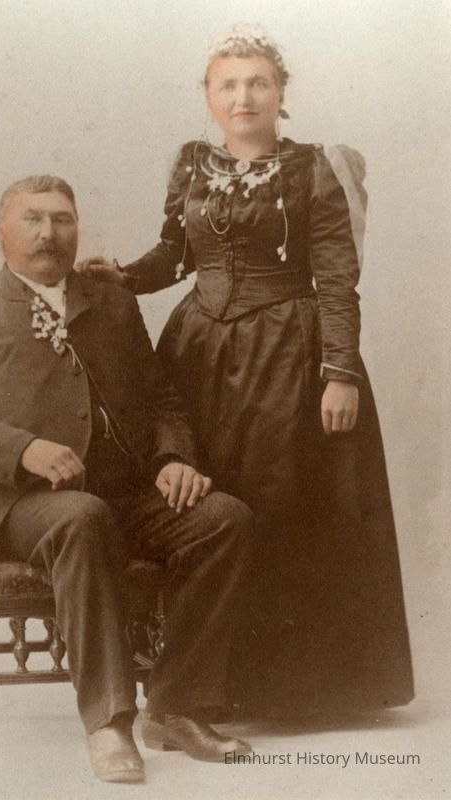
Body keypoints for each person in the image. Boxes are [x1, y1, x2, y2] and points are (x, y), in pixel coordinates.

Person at [77, 24, 414, 717]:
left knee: (281, 506)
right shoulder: (192, 166)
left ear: (280, 93)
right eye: (228, 85)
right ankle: (204, 682)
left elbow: (336, 278)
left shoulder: (315, 168)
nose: (243, 97)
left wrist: (340, 373)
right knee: (209, 504)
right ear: (208, 96)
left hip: (288, 358)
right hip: (199, 356)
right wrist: (124, 276)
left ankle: (284, 692)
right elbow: (176, 256)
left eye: (258, 83)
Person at [0, 175, 257, 783]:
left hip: (127, 495)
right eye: (33, 219)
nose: (49, 233)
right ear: (3, 232)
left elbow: (162, 400)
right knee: (81, 517)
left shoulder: (113, 305)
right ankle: (109, 722)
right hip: (28, 507)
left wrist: (173, 457)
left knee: (225, 519)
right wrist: (25, 449)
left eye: (62, 219)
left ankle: (177, 707)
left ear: (77, 229)